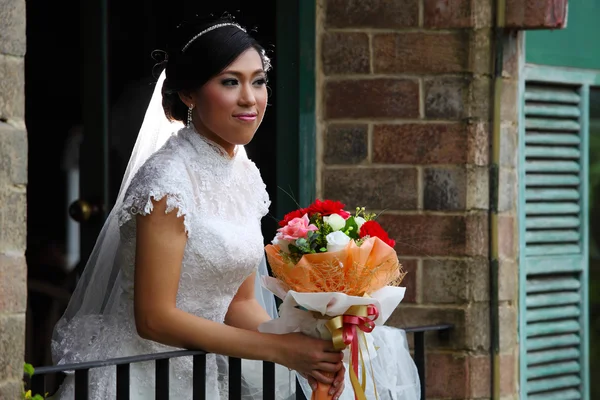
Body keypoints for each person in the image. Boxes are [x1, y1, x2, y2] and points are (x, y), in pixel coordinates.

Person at [51, 18, 347, 399]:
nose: (250, 98)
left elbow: (239, 303)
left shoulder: (243, 173)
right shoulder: (167, 181)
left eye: (258, 81)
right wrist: (281, 350)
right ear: (189, 94)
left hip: (201, 376)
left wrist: (304, 350)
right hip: (139, 377)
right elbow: (154, 318)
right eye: (230, 81)